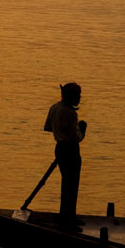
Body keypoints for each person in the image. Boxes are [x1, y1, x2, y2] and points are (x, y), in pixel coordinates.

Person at [43, 82, 86, 230]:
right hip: (70, 150)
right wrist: (82, 129)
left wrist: (61, 131)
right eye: (78, 95)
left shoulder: (54, 108)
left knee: (66, 184)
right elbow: (77, 137)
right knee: (71, 186)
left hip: (60, 148)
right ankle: (69, 220)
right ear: (71, 97)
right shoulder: (70, 113)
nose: (80, 98)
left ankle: (67, 217)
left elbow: (48, 127)